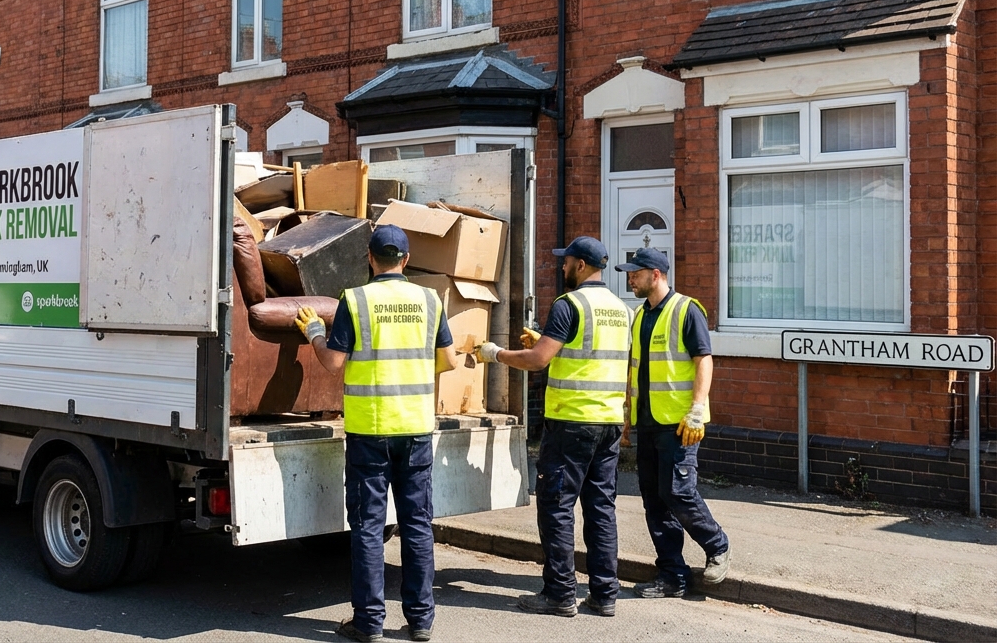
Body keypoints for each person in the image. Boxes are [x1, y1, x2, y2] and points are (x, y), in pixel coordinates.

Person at [296, 224, 458, 643]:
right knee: (417, 525)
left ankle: (368, 624)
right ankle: (421, 621)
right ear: (405, 260)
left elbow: (333, 363)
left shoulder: (356, 299)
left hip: (370, 429)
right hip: (416, 426)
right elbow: (449, 361)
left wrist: (314, 332)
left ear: (370, 259)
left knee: (369, 526)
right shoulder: (430, 299)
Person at [476, 236, 628, 618]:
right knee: (601, 508)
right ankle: (605, 594)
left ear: (580, 265)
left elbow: (538, 360)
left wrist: (496, 354)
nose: (562, 267)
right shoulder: (622, 309)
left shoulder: (569, 304)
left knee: (557, 507)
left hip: (572, 423)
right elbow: (585, 355)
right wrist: (544, 343)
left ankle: (559, 593)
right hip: (609, 421)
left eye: (566, 261)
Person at [614, 247, 730, 598]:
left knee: (678, 492)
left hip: (681, 424)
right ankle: (671, 576)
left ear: (656, 274)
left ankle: (717, 546)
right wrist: (627, 419)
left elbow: (703, 360)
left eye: (635, 273)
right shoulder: (638, 316)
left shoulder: (686, 310)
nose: (630, 278)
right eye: (629, 273)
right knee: (654, 498)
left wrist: (697, 409)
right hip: (648, 422)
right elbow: (635, 371)